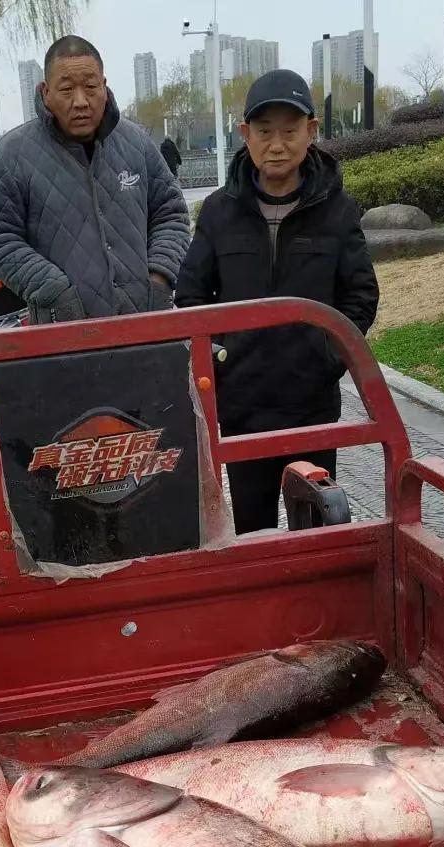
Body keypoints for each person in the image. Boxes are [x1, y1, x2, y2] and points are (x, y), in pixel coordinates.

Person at [175, 70, 379, 535]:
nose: (278, 144)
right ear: (245, 135)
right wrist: (220, 357)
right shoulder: (219, 212)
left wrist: (329, 357)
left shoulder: (338, 210)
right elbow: (189, 294)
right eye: (264, 132)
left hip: (311, 402)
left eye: (290, 131)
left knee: (316, 526)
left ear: (311, 131)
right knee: (251, 530)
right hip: (242, 404)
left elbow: (361, 294)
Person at [0, 35, 190, 324]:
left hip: (144, 324)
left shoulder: (137, 144)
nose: (80, 102)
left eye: (90, 87)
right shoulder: (11, 155)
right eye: (66, 89)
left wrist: (160, 276)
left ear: (104, 85)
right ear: (45, 91)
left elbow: (171, 213)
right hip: (61, 333)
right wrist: (51, 289)